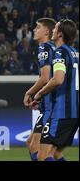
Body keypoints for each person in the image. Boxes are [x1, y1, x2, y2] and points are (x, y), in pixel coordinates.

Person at [33, 19, 79, 161]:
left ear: (60, 34)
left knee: (43, 155)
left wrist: (39, 93)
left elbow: (58, 79)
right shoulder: (75, 53)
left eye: (55, 29)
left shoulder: (60, 52)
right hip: (74, 112)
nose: (53, 30)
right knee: (55, 153)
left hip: (62, 112)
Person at [23, 18, 56, 161]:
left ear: (47, 31)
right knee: (31, 143)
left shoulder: (44, 47)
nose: (34, 30)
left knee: (38, 148)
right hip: (52, 102)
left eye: (38, 27)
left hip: (52, 105)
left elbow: (45, 78)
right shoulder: (54, 47)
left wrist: (30, 93)